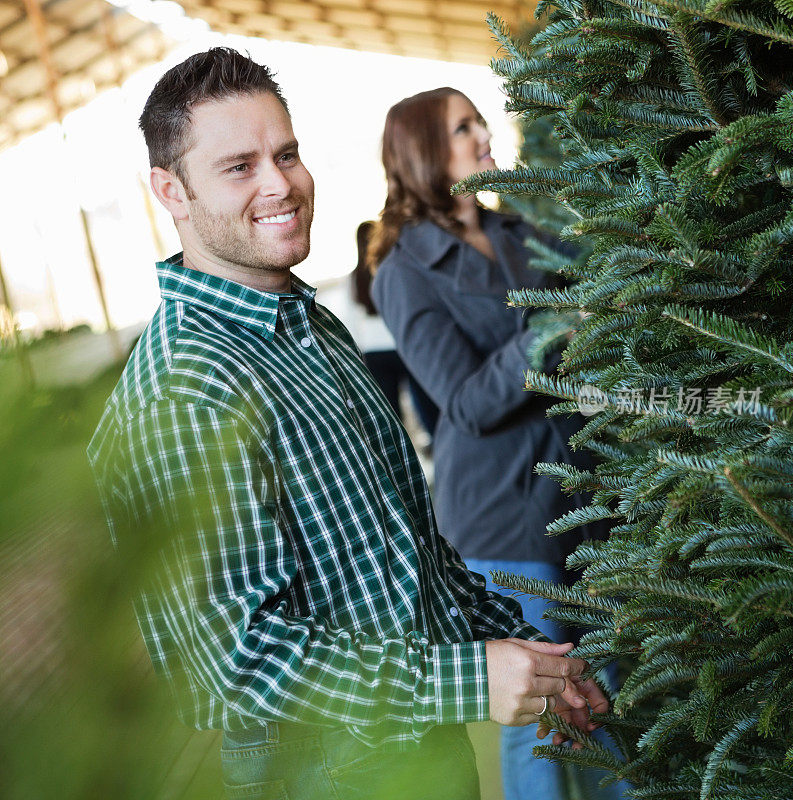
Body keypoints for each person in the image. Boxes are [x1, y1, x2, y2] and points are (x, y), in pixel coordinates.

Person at [87, 50, 610, 800]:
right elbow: (240, 663)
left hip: (416, 748)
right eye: (239, 166)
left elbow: (406, 555)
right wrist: (469, 678)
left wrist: (528, 652)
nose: (281, 184)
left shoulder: (310, 327)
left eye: (288, 153)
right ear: (170, 190)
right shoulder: (184, 387)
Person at [369, 88, 610, 800]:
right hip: (504, 519)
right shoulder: (404, 274)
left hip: (581, 496)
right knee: (542, 722)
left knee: (607, 708)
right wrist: (552, 324)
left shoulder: (520, 234)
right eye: (462, 128)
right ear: (423, 154)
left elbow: (605, 264)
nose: (482, 135)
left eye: (480, 121)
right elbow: (468, 402)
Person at [350, 220, 439, 440]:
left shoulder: (354, 277)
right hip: (400, 344)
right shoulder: (389, 268)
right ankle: (435, 440)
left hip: (373, 350)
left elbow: (351, 318)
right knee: (425, 403)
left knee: (390, 412)